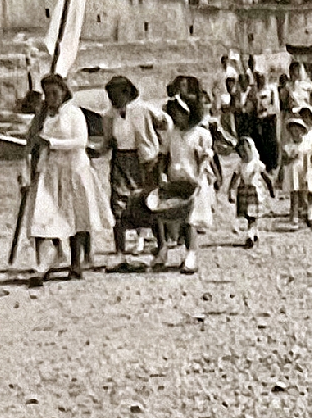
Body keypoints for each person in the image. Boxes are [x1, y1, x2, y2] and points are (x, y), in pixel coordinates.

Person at [23, 74, 113, 285]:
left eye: (55, 93)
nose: (52, 97)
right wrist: (32, 168)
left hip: (75, 168)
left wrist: (52, 142)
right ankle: (46, 262)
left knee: (77, 217)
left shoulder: (74, 113)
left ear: (64, 92)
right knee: (45, 215)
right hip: (52, 170)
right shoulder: (44, 116)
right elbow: (33, 143)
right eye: (47, 94)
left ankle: (76, 262)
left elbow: (81, 141)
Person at [103, 75, 165, 264]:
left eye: (115, 95)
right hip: (121, 160)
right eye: (110, 96)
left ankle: (161, 246)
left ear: (127, 93)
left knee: (150, 201)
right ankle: (120, 251)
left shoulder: (144, 109)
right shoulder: (108, 116)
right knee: (118, 203)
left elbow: (166, 123)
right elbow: (106, 143)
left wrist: (161, 150)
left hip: (145, 161)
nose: (112, 100)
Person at [156, 94, 215, 274]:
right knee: (178, 219)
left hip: (194, 181)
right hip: (176, 179)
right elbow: (164, 155)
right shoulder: (171, 134)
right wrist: (161, 174)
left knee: (191, 220)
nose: (175, 116)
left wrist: (199, 174)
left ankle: (191, 255)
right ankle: (170, 251)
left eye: (179, 113)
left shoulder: (201, 134)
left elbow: (206, 158)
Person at [227, 136, 273, 248]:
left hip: (254, 192)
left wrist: (271, 189)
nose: (244, 154)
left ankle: (250, 235)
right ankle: (254, 232)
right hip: (243, 191)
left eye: (246, 150)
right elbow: (234, 178)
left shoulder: (257, 164)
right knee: (248, 215)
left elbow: (266, 177)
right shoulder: (240, 164)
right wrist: (231, 190)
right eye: (241, 152)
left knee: (253, 215)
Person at [277, 116, 312, 228]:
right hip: (292, 171)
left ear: (302, 131)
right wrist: (282, 171)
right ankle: (294, 218)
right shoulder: (288, 146)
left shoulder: (306, 145)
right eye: (292, 132)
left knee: (303, 195)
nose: (295, 134)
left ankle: (307, 213)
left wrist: (306, 175)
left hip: (303, 170)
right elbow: (284, 161)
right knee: (294, 195)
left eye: (297, 131)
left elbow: (307, 161)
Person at [254, 70, 280, 171]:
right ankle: (266, 165)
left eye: (262, 76)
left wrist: (267, 110)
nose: (261, 79)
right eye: (259, 77)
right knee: (262, 142)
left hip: (270, 119)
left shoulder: (271, 89)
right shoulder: (256, 91)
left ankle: (273, 165)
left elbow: (276, 106)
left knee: (272, 141)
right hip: (260, 120)